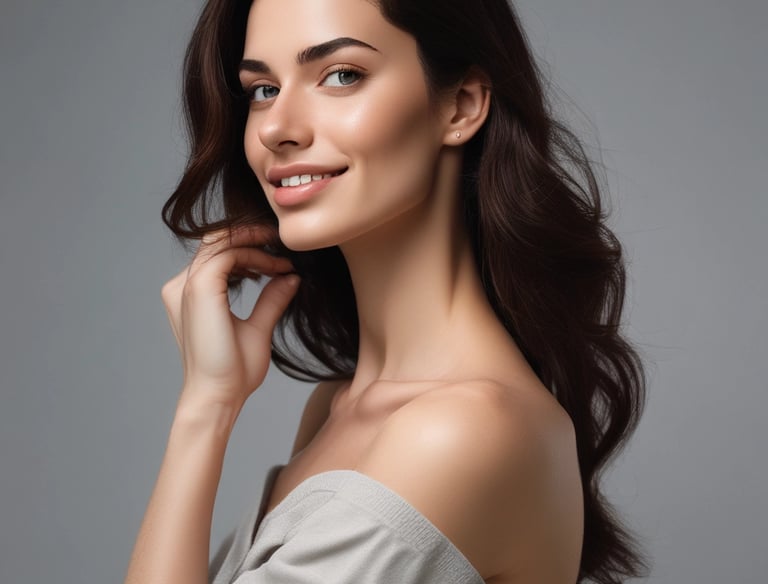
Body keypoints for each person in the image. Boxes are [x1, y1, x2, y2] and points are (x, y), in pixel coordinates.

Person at [124, 0, 646, 582]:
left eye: (341, 75)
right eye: (263, 88)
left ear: (461, 105)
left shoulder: (460, 431)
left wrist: (203, 413)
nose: (276, 127)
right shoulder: (336, 407)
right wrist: (210, 401)